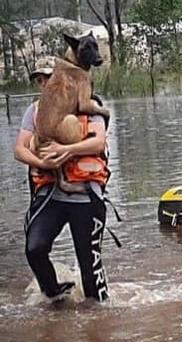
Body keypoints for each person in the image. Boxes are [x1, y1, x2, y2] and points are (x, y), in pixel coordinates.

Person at [13, 58, 111, 304]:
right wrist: (44, 163)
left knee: (90, 269)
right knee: (34, 248)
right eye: (39, 80)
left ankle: (100, 319)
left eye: (48, 77)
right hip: (51, 194)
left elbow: (99, 142)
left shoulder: (89, 105)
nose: (44, 84)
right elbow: (20, 149)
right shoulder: (34, 111)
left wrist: (68, 149)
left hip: (85, 194)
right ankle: (55, 296)